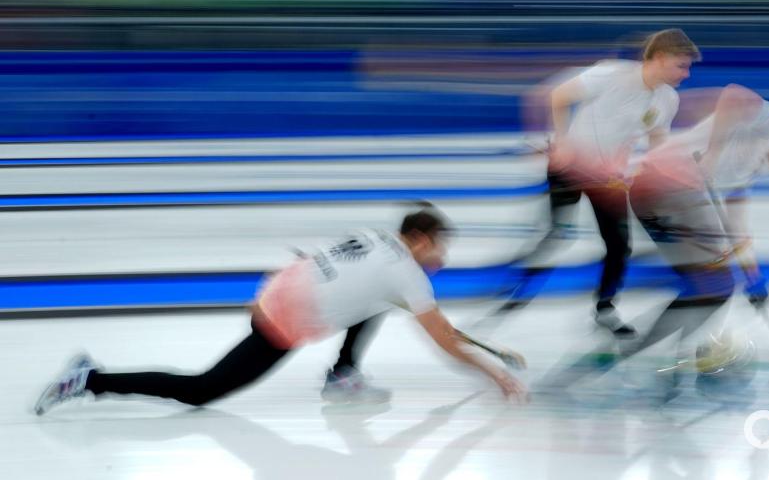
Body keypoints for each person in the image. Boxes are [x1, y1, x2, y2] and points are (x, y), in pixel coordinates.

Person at [35, 204, 526, 415]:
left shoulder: (377, 239)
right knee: (203, 391)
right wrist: (493, 373)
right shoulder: (408, 275)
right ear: (418, 239)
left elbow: (322, 263)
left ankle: (343, 373)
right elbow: (440, 336)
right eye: (438, 246)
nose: (442, 257)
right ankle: (91, 378)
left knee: (377, 302)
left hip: (279, 290)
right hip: (283, 320)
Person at [538, 84, 769, 393]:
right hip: (667, 186)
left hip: (655, 194)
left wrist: (754, 279)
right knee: (716, 285)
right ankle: (663, 361)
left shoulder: (751, 169)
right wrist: (713, 151)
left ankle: (644, 356)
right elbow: (733, 96)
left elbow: (736, 228)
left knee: (708, 287)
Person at [500, 28, 701, 338]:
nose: (686, 74)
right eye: (681, 65)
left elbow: (657, 146)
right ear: (660, 58)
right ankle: (516, 291)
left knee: (620, 245)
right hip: (570, 167)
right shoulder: (611, 74)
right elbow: (558, 95)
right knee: (556, 235)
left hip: (608, 179)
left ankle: (605, 308)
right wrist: (563, 143)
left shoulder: (667, 99)